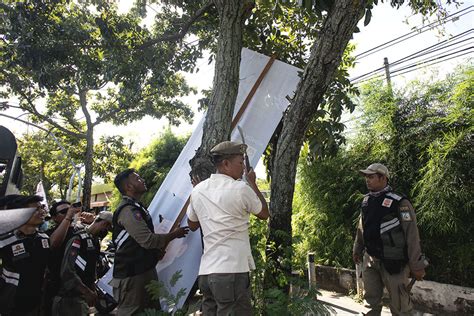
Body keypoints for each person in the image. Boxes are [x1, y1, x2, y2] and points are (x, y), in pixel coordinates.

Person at [186, 141, 269, 315]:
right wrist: (252, 182)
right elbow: (263, 213)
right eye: (240, 163)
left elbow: (192, 225)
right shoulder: (240, 188)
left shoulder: (198, 190)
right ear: (226, 164)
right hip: (232, 271)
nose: (243, 169)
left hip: (207, 273)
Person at [353, 163, 429, 316]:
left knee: (401, 307)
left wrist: (416, 264)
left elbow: (412, 234)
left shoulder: (399, 203)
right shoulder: (366, 201)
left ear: (383, 178)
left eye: (371, 176)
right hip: (370, 260)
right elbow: (362, 227)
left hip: (394, 263)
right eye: (366, 177)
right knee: (369, 304)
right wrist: (357, 248)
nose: (367, 180)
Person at [111, 168, 189, 315]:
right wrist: (174, 234)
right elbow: (148, 240)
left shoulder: (137, 207)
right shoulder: (128, 211)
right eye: (137, 179)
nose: (142, 180)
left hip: (143, 271)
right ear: (129, 187)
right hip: (132, 276)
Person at [52, 211, 113, 316]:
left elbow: (91, 268)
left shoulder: (95, 241)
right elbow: (67, 271)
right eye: (107, 228)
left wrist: (93, 289)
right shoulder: (78, 239)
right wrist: (87, 292)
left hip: (82, 298)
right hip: (69, 299)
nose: (106, 232)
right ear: (104, 224)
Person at [0, 195, 50, 316]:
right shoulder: (4, 241)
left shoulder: (44, 239)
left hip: (35, 305)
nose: (42, 211)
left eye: (41, 207)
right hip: (8, 306)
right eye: (35, 209)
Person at [42, 200, 82, 315]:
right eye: (64, 211)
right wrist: (68, 218)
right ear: (54, 217)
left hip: (77, 289)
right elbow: (53, 244)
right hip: (57, 289)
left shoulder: (78, 230)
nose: (69, 213)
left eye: (70, 210)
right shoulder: (48, 233)